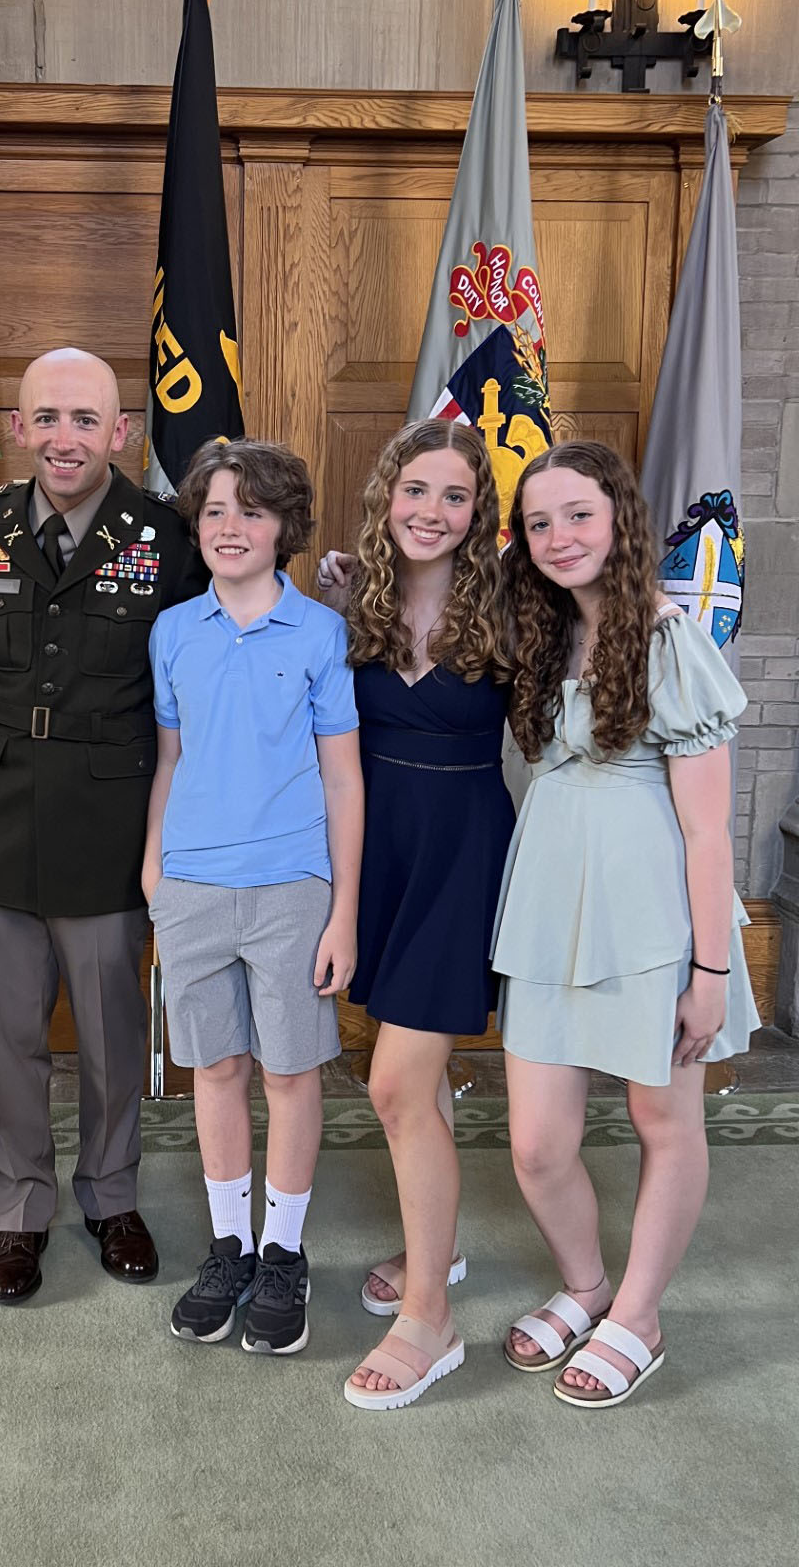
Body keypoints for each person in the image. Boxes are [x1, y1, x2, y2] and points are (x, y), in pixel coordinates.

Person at [494, 441, 757, 1408]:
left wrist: (712, 971)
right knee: (535, 1145)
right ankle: (586, 1288)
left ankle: (638, 1317)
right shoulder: (540, 636)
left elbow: (703, 827)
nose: (559, 536)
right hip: (551, 913)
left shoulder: (668, 637)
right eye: (539, 522)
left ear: (620, 521)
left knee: (662, 1120)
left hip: (652, 916)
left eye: (578, 515)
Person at [0, 348, 206, 1304]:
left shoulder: (170, 538)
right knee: (9, 1034)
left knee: (109, 1030)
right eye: (45, 417)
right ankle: (20, 1212)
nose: (64, 437)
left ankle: (111, 1194)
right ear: (17, 426)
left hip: (110, 813)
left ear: (120, 432)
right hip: (1, 811)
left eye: (84, 419)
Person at [143, 439, 362, 1355]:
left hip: (290, 888)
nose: (232, 527)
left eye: (254, 511)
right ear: (197, 522)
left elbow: (343, 778)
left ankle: (283, 1251)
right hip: (192, 884)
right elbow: (170, 758)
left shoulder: (318, 633)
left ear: (287, 529)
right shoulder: (173, 632)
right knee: (219, 1069)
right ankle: (229, 1243)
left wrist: (342, 906)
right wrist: (156, 866)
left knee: (288, 1071)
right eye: (217, 510)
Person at [317, 419, 513, 1410]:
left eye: (454, 497)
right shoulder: (352, 602)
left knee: (396, 1083)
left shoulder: (512, 609)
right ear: (384, 496)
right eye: (415, 492)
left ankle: (429, 1317)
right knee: (410, 1078)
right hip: (376, 854)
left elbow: (602, 652)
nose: (431, 513)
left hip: (462, 855)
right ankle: (432, 1246)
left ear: (477, 515)